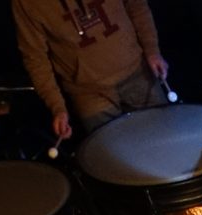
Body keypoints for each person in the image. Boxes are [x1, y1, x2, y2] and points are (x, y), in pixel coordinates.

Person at [11, 0, 167, 142]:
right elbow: (35, 57)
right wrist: (57, 107)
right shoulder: (26, 3)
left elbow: (137, 6)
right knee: (112, 156)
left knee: (163, 138)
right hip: (88, 94)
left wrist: (152, 50)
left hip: (138, 72)